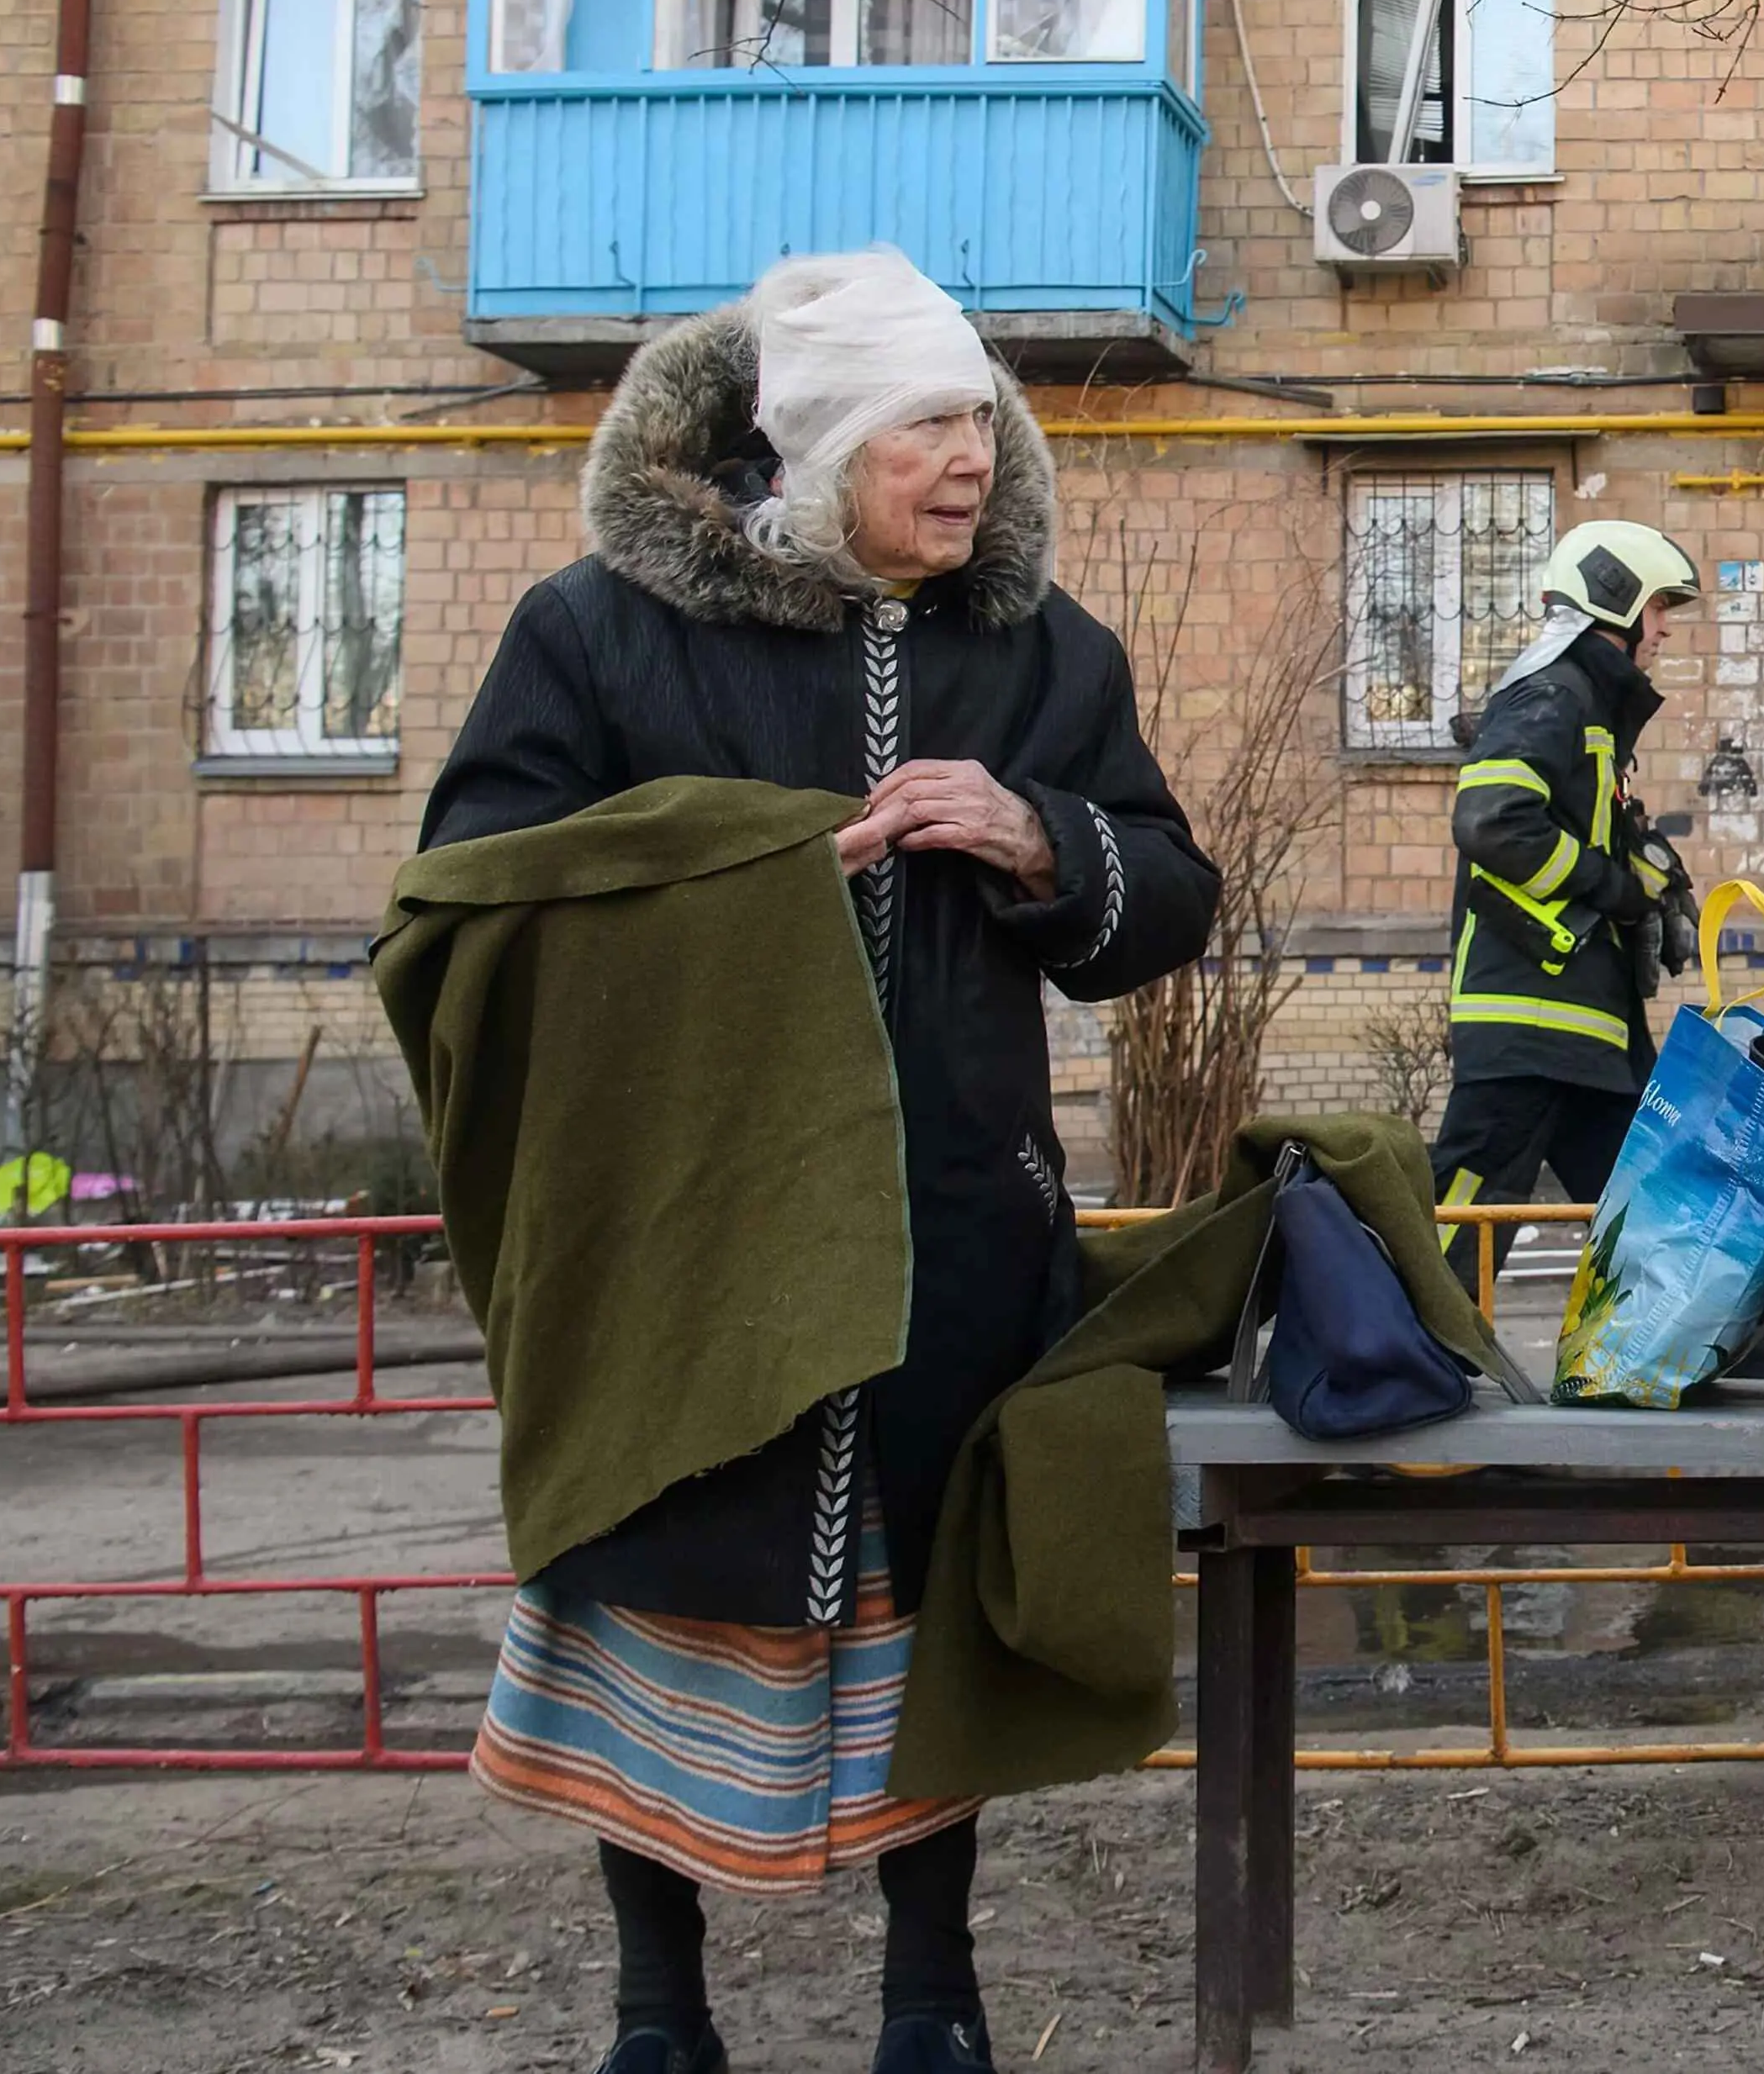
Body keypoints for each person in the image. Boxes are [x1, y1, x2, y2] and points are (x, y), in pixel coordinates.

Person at [425, 250, 1221, 2074]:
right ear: (822, 444)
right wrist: (736, 867)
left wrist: (1042, 837)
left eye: (980, 417)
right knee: (654, 1581)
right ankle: (656, 2005)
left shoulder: (1041, 650)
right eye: (929, 422)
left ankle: (932, 1996)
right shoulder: (597, 629)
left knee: (920, 1609)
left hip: (951, 1227)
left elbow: (1167, 895)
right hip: (678, 1231)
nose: (975, 457)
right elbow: (477, 887)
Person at [1426, 521, 1703, 1296]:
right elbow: (1492, 820)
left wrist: (1645, 872)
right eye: (1658, 608)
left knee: (1647, 1198)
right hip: (1530, 1020)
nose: (1666, 627)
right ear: (1617, 604)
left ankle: (1737, 1353)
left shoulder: (1587, 708)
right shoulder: (1552, 694)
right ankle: (1399, 1351)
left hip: (1582, 1026)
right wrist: (1613, 886)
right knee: (1466, 1211)